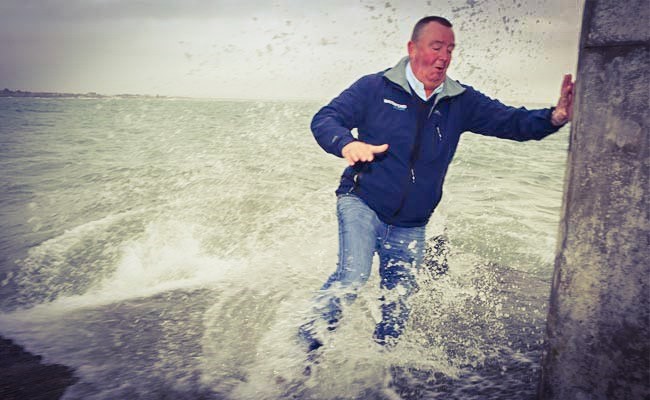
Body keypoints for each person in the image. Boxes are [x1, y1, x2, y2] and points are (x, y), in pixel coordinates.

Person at [300, 16, 574, 350]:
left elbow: (511, 122)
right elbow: (326, 118)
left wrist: (554, 117)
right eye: (436, 46)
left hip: (411, 223)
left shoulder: (460, 101)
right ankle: (302, 353)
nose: (444, 56)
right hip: (362, 202)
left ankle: (379, 366)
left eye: (450, 49)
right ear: (413, 49)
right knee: (352, 277)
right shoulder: (374, 88)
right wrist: (347, 143)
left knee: (398, 308)